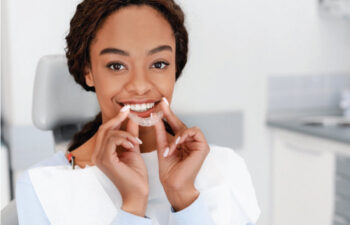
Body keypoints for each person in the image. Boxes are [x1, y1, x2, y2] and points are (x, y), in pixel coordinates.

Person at [15, 0, 261, 224]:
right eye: (117, 65)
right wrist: (132, 204)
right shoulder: (45, 188)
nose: (141, 85)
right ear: (88, 71)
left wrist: (184, 197)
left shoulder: (226, 170)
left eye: (159, 64)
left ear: (175, 67)